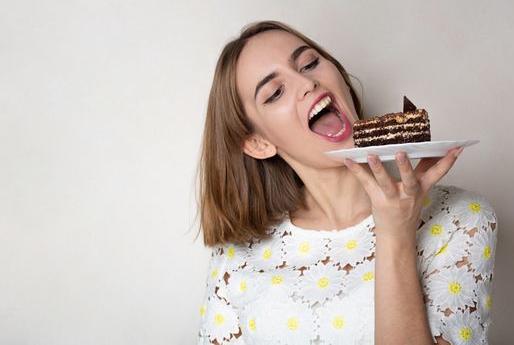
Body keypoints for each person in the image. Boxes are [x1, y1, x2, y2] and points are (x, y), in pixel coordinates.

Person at [196, 20, 498, 345]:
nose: (307, 82)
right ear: (257, 143)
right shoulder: (236, 259)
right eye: (275, 92)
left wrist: (395, 235)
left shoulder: (460, 221)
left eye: (309, 63)